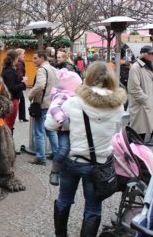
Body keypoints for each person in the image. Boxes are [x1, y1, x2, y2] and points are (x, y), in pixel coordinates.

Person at [54, 62, 126, 237]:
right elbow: (116, 131)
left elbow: (54, 122)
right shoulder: (118, 106)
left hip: (73, 160)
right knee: (93, 208)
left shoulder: (73, 102)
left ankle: (61, 235)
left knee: (64, 200)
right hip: (99, 164)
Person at [44, 69, 82, 186]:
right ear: (73, 87)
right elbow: (54, 109)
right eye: (79, 85)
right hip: (65, 129)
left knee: (71, 151)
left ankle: (67, 170)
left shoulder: (74, 96)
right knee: (63, 149)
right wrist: (65, 121)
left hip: (75, 128)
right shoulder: (63, 96)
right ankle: (54, 171)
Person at [28, 50, 59, 165]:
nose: (33, 60)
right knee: (50, 130)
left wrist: (30, 95)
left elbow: (40, 85)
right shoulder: (53, 69)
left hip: (42, 104)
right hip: (52, 103)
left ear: (42, 58)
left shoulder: (42, 69)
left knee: (39, 131)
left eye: (35, 58)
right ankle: (57, 154)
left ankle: (40, 157)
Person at [127, 45, 153, 141]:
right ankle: (132, 154)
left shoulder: (147, 66)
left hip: (145, 105)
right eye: (150, 53)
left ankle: (137, 154)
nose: (152, 55)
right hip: (141, 106)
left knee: (142, 133)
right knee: (137, 134)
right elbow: (134, 88)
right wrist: (146, 100)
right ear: (143, 55)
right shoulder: (136, 67)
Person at [2, 49, 27, 138]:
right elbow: (11, 87)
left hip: (11, 99)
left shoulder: (8, 69)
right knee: (9, 124)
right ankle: (8, 147)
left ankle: (8, 145)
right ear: (15, 58)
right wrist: (23, 84)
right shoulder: (9, 71)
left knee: (9, 124)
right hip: (12, 100)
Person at [15, 48, 29, 122]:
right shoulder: (20, 63)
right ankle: (22, 117)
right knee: (20, 100)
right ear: (19, 55)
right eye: (23, 54)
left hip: (18, 84)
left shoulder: (18, 62)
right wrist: (23, 80)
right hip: (19, 84)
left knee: (21, 100)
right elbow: (19, 74)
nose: (24, 55)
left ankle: (22, 116)